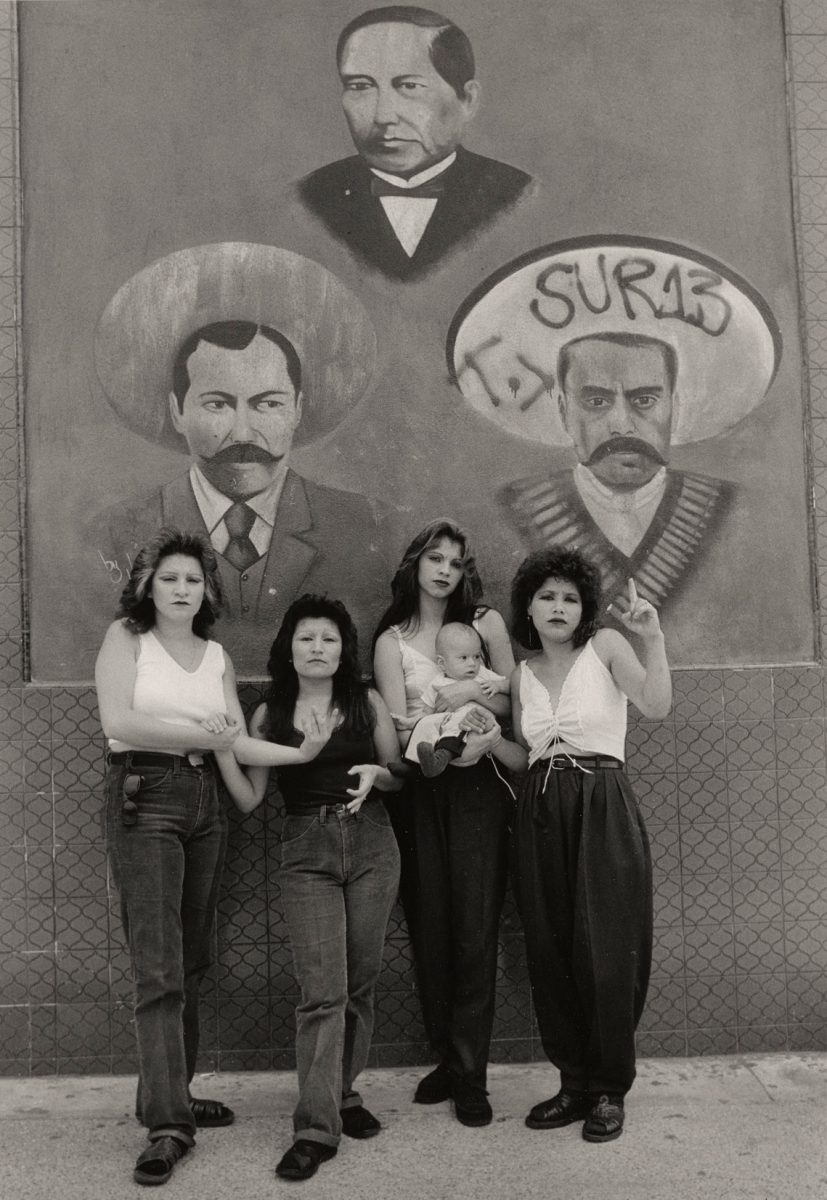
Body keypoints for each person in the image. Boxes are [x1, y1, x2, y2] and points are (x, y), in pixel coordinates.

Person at [209, 594, 402, 1183]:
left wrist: (378, 773)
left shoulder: (365, 701)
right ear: (288, 649)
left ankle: (342, 1095)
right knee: (323, 992)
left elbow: (399, 775)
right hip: (306, 850)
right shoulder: (270, 713)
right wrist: (223, 749)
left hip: (372, 843)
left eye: (329, 639)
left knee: (360, 984)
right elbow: (249, 800)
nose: (318, 649)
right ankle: (316, 1129)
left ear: (344, 650)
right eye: (306, 638)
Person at [489, 547, 672, 1142]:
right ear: (530, 609)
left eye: (569, 597)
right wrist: (489, 737)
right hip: (539, 808)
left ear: (584, 607)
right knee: (551, 946)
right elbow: (525, 756)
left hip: (602, 802)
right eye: (547, 597)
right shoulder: (521, 675)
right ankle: (572, 1083)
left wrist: (653, 638)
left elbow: (656, 705)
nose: (559, 607)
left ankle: (608, 1089)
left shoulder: (608, 649)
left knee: (607, 947)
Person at [96, 319, 389, 674]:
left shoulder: (364, 527)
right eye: (217, 404)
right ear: (178, 412)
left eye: (267, 404)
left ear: (297, 409)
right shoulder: (113, 531)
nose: (243, 433)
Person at [94, 528, 249, 1187]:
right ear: (146, 586)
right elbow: (121, 721)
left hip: (206, 800)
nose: (183, 589)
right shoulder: (124, 639)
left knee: (190, 958)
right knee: (158, 966)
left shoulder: (216, 656)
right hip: (145, 793)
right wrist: (199, 734)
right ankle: (166, 1126)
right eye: (171, 579)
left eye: (194, 580)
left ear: (206, 590)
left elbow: (234, 736)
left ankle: (171, 1093)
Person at [373, 518, 515, 1126]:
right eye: (434, 558)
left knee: (473, 927)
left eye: (455, 562)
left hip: (480, 788)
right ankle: (448, 1056)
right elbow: (397, 725)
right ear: (415, 564)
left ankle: (472, 1076)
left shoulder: (484, 625)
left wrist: (470, 700)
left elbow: (517, 699)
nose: (444, 571)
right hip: (421, 792)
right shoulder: (390, 640)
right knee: (430, 927)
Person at [500, 331, 733, 610]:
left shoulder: (727, 507)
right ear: (564, 413)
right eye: (597, 402)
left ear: (675, 409)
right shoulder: (515, 506)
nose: (622, 424)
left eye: (645, 400)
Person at [297, 5, 533, 281]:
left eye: (409, 86)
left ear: (467, 100)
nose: (383, 116)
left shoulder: (514, 193)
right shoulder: (309, 197)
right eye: (361, 86)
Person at [394, 621, 508, 777]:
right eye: (463, 658)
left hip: (472, 724)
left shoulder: (483, 674)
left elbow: (510, 684)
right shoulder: (437, 683)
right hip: (444, 722)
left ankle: (439, 760)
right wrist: (411, 722)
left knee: (458, 724)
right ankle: (412, 765)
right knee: (425, 725)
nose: (472, 663)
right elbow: (427, 713)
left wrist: (499, 686)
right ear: (442, 663)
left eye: (476, 656)